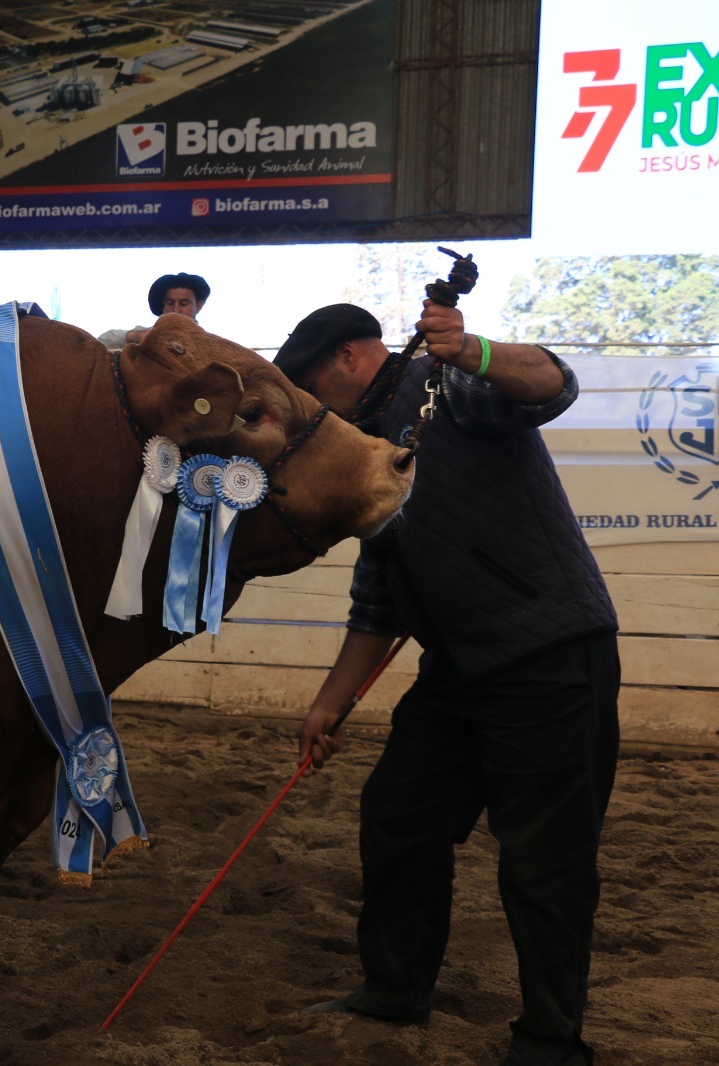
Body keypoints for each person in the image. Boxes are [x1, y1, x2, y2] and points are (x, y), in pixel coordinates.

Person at [274, 301, 620, 1066]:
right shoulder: (364, 448)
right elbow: (379, 591)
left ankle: (551, 1041)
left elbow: (553, 386)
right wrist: (330, 702)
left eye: (308, 389)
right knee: (398, 812)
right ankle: (395, 988)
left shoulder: (442, 382)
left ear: (350, 361)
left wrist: (473, 351)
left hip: (551, 655)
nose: (307, 409)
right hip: (460, 669)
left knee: (545, 859)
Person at [97, 271, 209, 348]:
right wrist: (135, 336)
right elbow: (102, 342)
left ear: (198, 306)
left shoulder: (209, 344)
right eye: (170, 303)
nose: (176, 310)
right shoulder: (143, 337)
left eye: (183, 304)